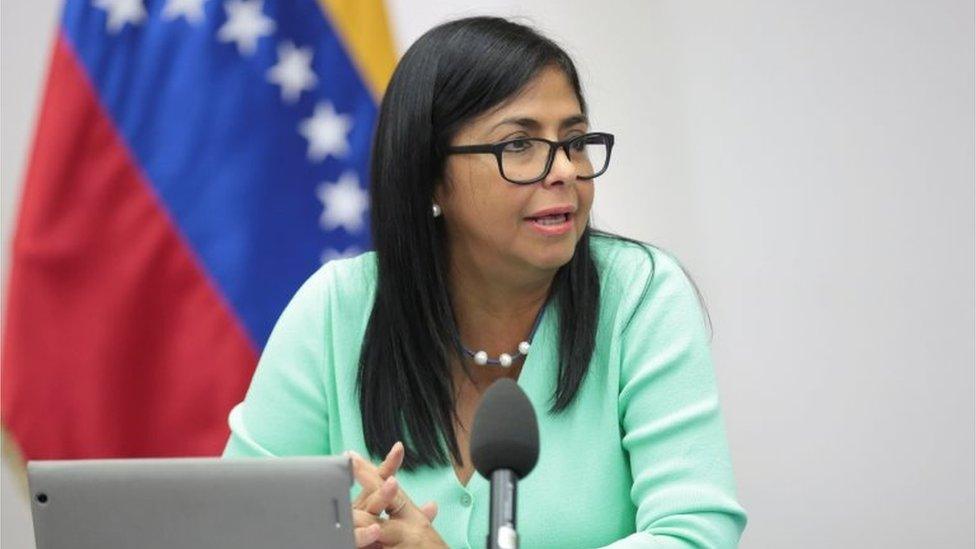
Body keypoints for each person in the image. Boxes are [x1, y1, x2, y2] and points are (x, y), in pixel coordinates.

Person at [222, 15, 748, 548]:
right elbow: (234, 527)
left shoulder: (639, 297)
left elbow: (694, 534)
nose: (563, 169)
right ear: (430, 175)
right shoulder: (338, 310)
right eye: (519, 144)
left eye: (575, 140)